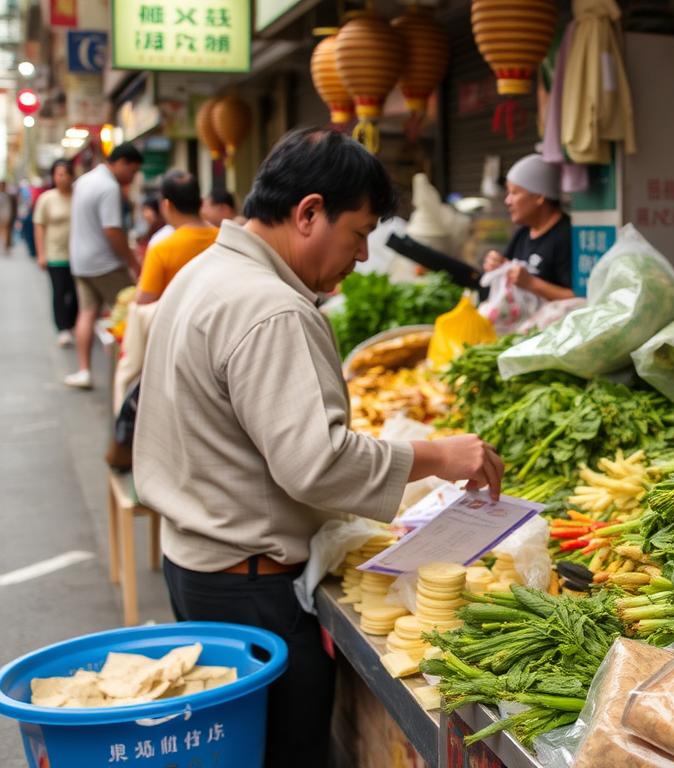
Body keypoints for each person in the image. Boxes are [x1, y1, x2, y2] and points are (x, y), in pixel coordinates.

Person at [134, 128, 504, 767]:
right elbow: (319, 464)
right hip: (249, 583)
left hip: (196, 562)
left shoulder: (203, 272)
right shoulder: (273, 308)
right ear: (308, 212)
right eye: (358, 233)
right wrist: (441, 456)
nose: (362, 256)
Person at [66, 144, 143, 389]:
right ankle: (130, 373)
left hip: (81, 261)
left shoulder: (84, 181)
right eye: (133, 170)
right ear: (123, 163)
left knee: (86, 313)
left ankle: (84, 371)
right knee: (130, 311)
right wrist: (132, 261)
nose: (133, 177)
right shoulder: (109, 187)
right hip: (105, 263)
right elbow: (112, 230)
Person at [481, 154, 575, 301]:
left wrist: (531, 283)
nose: (507, 201)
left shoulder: (567, 236)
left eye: (514, 193)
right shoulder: (523, 233)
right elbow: (508, 272)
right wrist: (497, 266)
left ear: (539, 197)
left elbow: (579, 299)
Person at [134, 170, 217, 303]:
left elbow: (144, 299)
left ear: (166, 205)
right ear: (201, 202)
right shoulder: (223, 238)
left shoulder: (161, 248)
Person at [33, 160, 78, 346]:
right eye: (57, 174)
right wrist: (41, 254)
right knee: (59, 292)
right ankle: (63, 329)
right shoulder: (47, 199)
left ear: (71, 176)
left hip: (77, 255)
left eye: (64, 174)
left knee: (76, 293)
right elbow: (39, 226)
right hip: (55, 255)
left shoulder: (78, 197)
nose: (61, 178)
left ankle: (71, 323)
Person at [0, 181, 15, 255]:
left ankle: (6, 246)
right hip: (3, 216)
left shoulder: (9, 195)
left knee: (6, 232)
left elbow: (11, 207)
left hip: (6, 216)